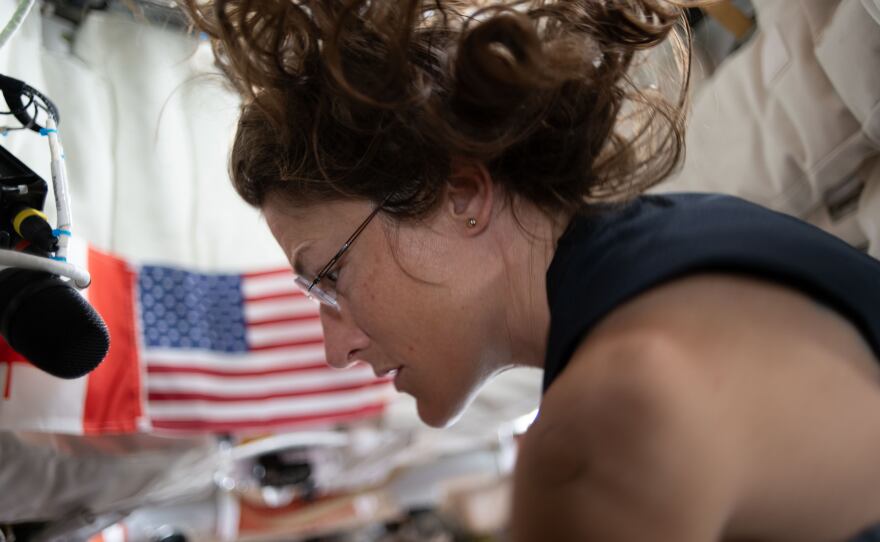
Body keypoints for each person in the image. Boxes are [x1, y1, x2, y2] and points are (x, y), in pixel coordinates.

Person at [181, 1, 880, 540]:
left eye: (330, 277)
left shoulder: (600, 433)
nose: (335, 349)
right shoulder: (696, 233)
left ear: (462, 196)